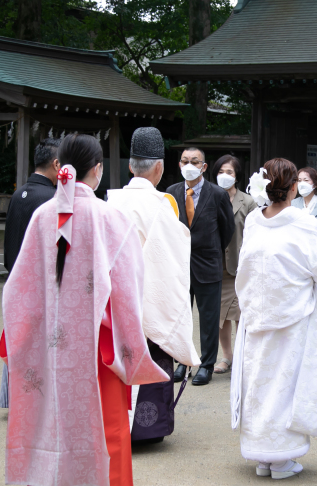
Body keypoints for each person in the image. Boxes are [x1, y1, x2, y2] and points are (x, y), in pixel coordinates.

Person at [0, 133, 168, 486]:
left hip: (46, 348)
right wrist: (129, 342)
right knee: (105, 432)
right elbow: (129, 289)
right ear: (98, 169)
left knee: (47, 426)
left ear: (61, 167)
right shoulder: (110, 218)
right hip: (97, 352)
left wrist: (20, 339)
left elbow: (19, 289)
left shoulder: (42, 217)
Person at [231, 158, 317, 479]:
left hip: (255, 314)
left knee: (259, 382)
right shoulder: (304, 222)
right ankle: (280, 458)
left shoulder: (254, 220)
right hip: (293, 316)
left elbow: (246, 267)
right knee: (286, 384)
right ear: (294, 186)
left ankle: (263, 457)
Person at [106, 127, 201, 444]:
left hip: (114, 306)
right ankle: (147, 430)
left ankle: (115, 423)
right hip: (150, 305)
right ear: (160, 167)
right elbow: (170, 267)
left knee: (117, 361)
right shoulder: (164, 206)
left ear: (130, 166)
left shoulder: (110, 203)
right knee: (152, 359)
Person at [0, 138, 60, 408]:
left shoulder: (18, 193)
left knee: (18, 340)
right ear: (56, 164)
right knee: (39, 345)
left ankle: (12, 397)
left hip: (15, 278)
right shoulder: (51, 199)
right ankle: (35, 400)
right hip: (39, 282)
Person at [167, 148, 235, 386]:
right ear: (179, 164)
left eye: (194, 161)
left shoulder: (217, 194)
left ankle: (206, 364)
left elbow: (227, 231)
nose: (189, 165)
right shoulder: (171, 193)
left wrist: (211, 250)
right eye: (185, 161)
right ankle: (182, 363)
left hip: (208, 264)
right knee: (180, 317)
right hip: (179, 267)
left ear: (204, 167)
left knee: (208, 319)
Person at [209, 155, 257, 376]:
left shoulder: (248, 201)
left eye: (229, 172)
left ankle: (244, 355)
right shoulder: (208, 197)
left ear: (237, 175)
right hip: (216, 266)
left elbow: (256, 234)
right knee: (221, 316)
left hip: (241, 267)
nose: (224, 176)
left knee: (241, 313)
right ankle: (226, 356)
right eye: (220, 172)